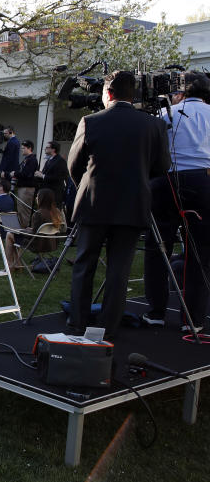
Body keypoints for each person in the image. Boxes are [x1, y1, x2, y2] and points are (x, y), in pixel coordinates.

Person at [68, 70, 170, 339]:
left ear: (108, 93)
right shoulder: (154, 125)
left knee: (84, 265)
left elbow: (74, 165)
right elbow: (162, 167)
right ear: (132, 94)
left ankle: (78, 323)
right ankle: (106, 329)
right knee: (119, 270)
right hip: (132, 204)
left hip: (94, 203)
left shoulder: (90, 121)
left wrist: (87, 185)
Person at [144, 71, 210, 333]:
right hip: (203, 182)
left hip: (166, 181)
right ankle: (192, 320)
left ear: (180, 92)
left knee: (158, 247)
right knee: (200, 253)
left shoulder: (164, 116)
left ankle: (156, 312)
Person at [4, 188, 64, 270]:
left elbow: (32, 235)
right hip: (52, 244)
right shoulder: (56, 213)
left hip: (38, 245)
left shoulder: (38, 214)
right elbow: (40, 230)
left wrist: (21, 231)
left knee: (10, 234)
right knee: (14, 235)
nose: (36, 198)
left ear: (41, 199)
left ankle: (10, 265)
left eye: (37, 196)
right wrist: (30, 229)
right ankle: (17, 264)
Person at [12, 140, 39, 226]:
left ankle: (25, 230)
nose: (21, 150)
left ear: (29, 148)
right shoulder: (26, 159)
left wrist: (15, 173)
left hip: (27, 188)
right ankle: (21, 228)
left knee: (24, 210)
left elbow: (27, 174)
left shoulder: (32, 160)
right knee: (20, 210)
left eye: (23, 148)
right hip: (22, 187)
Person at [36, 140, 69, 208]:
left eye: (47, 147)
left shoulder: (60, 161)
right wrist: (40, 174)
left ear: (53, 149)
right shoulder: (49, 160)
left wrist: (43, 176)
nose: (45, 149)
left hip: (55, 193)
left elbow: (58, 177)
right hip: (46, 192)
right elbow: (46, 173)